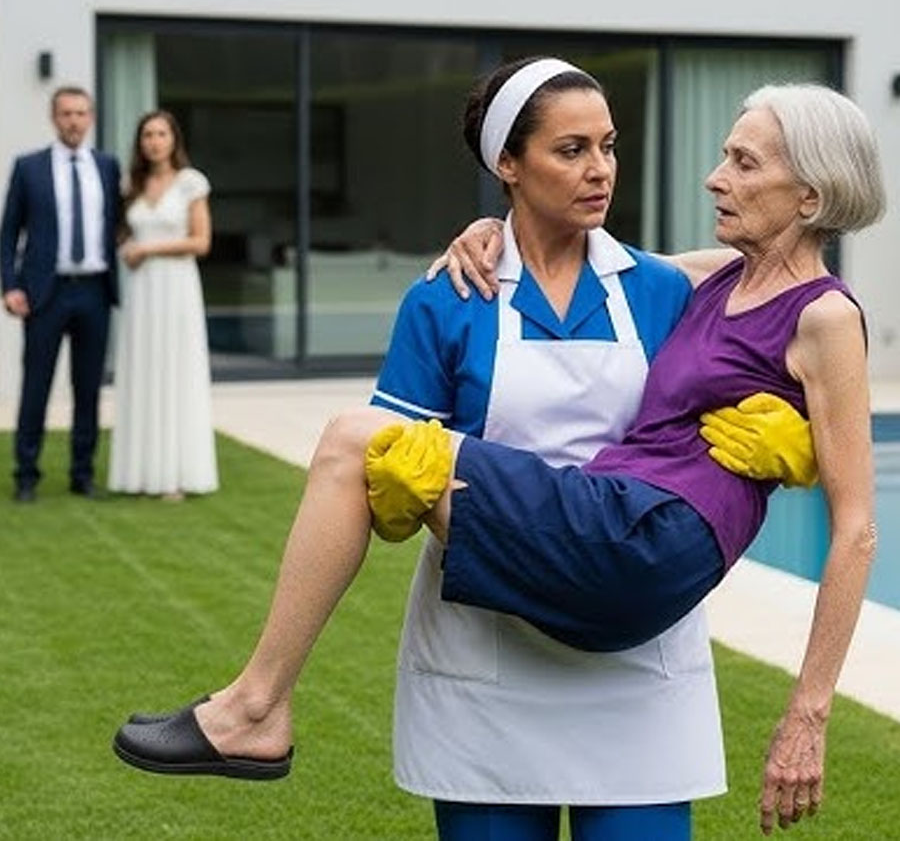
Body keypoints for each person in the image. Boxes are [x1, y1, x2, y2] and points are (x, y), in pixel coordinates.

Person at [112, 65, 877, 836]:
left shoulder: (660, 290)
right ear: (507, 163)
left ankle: (256, 704)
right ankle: (256, 704)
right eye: (572, 150)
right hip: (487, 657)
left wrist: (803, 443)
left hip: (634, 661)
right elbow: (380, 500)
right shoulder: (450, 297)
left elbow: (784, 306)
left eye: (609, 146)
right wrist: (492, 235)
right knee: (364, 446)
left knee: (349, 439)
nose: (601, 169)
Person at [1, 86, 121, 502]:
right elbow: (8, 233)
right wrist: (10, 286)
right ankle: (26, 476)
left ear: (91, 118)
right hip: (44, 293)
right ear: (54, 118)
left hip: (94, 292)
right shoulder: (29, 167)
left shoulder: (107, 166)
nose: (74, 120)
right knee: (36, 385)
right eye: (67, 113)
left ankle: (82, 475)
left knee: (88, 389)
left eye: (81, 113)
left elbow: (118, 224)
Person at [107, 110, 217, 498]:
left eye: (161, 134)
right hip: (142, 293)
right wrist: (128, 249)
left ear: (174, 139)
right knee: (144, 374)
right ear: (140, 142)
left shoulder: (190, 183)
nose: (154, 141)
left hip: (177, 289)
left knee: (175, 373)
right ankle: (140, 474)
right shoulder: (132, 185)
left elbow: (201, 242)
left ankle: (176, 475)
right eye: (147, 135)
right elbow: (124, 234)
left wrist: (148, 249)